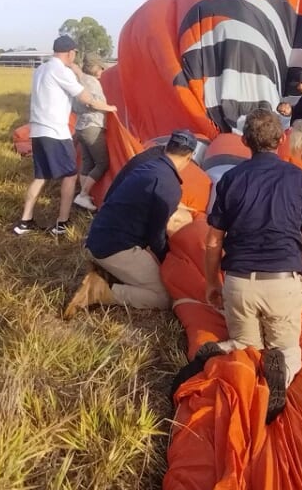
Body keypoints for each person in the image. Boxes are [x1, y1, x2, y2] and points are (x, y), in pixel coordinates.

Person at [202, 109, 302, 422]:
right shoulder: (300, 179)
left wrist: (213, 282)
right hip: (283, 282)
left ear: (244, 141)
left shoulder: (230, 179)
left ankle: (228, 347)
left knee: (246, 344)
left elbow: (213, 241)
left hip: (239, 283)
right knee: (286, 347)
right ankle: (280, 369)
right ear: (282, 138)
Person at [63, 130, 200, 316]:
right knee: (164, 296)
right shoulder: (169, 185)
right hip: (115, 247)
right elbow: (156, 236)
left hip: (99, 235)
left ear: (167, 147)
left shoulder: (147, 166)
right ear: (190, 156)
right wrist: (168, 261)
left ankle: (105, 271)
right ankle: (99, 292)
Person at [14, 36, 116, 236]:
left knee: (41, 176)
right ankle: (62, 223)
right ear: (70, 52)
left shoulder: (41, 69)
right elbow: (88, 100)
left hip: (38, 131)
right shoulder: (61, 71)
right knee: (69, 176)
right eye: (74, 54)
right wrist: (110, 108)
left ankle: (25, 221)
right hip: (56, 133)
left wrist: (77, 72)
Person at [71, 54, 110, 212]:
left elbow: (76, 106)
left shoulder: (79, 80)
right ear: (93, 67)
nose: (102, 70)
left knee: (87, 162)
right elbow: (93, 102)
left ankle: (84, 196)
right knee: (102, 163)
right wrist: (110, 108)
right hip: (92, 126)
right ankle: (83, 194)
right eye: (100, 67)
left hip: (80, 126)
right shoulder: (92, 82)